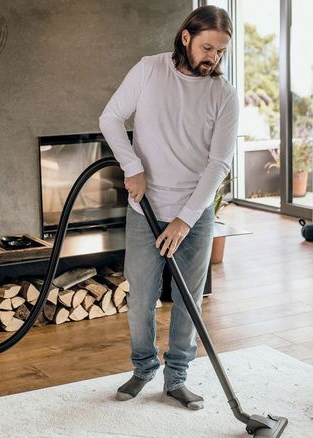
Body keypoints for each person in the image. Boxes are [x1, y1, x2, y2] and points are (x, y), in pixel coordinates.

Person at [98, 6, 238, 410]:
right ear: (186, 38)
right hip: (146, 208)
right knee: (141, 296)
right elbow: (110, 118)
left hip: (193, 214)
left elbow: (219, 164)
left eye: (221, 51)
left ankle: (176, 378)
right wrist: (132, 166)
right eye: (207, 46)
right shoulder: (149, 70)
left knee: (188, 300)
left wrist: (184, 219)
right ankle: (144, 368)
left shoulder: (223, 95)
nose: (213, 56)